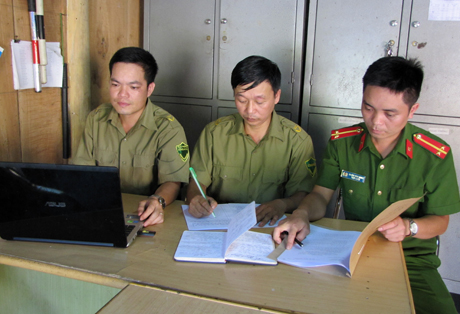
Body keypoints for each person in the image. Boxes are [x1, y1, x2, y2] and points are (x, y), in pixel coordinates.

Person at [273, 56, 460, 314]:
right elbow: (320, 195)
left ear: (412, 110)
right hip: (352, 252)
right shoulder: (342, 142)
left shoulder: (434, 155)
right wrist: (301, 214)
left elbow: (441, 220)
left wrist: (409, 226)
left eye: (390, 113)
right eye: (368, 107)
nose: (376, 122)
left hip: (411, 261)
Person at [186, 55, 317, 226]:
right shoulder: (214, 133)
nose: (250, 110)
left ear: (277, 96)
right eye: (241, 100)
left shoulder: (297, 141)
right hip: (220, 226)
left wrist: (282, 204)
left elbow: (303, 194)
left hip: (272, 227)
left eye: (259, 101)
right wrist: (197, 198)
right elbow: (197, 182)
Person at [73, 47, 190, 227]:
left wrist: (157, 200)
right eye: (115, 84)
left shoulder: (168, 128)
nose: (122, 94)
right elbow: (82, 174)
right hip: (101, 213)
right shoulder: (96, 119)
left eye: (133, 87)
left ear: (149, 89)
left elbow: (173, 181)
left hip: (144, 217)